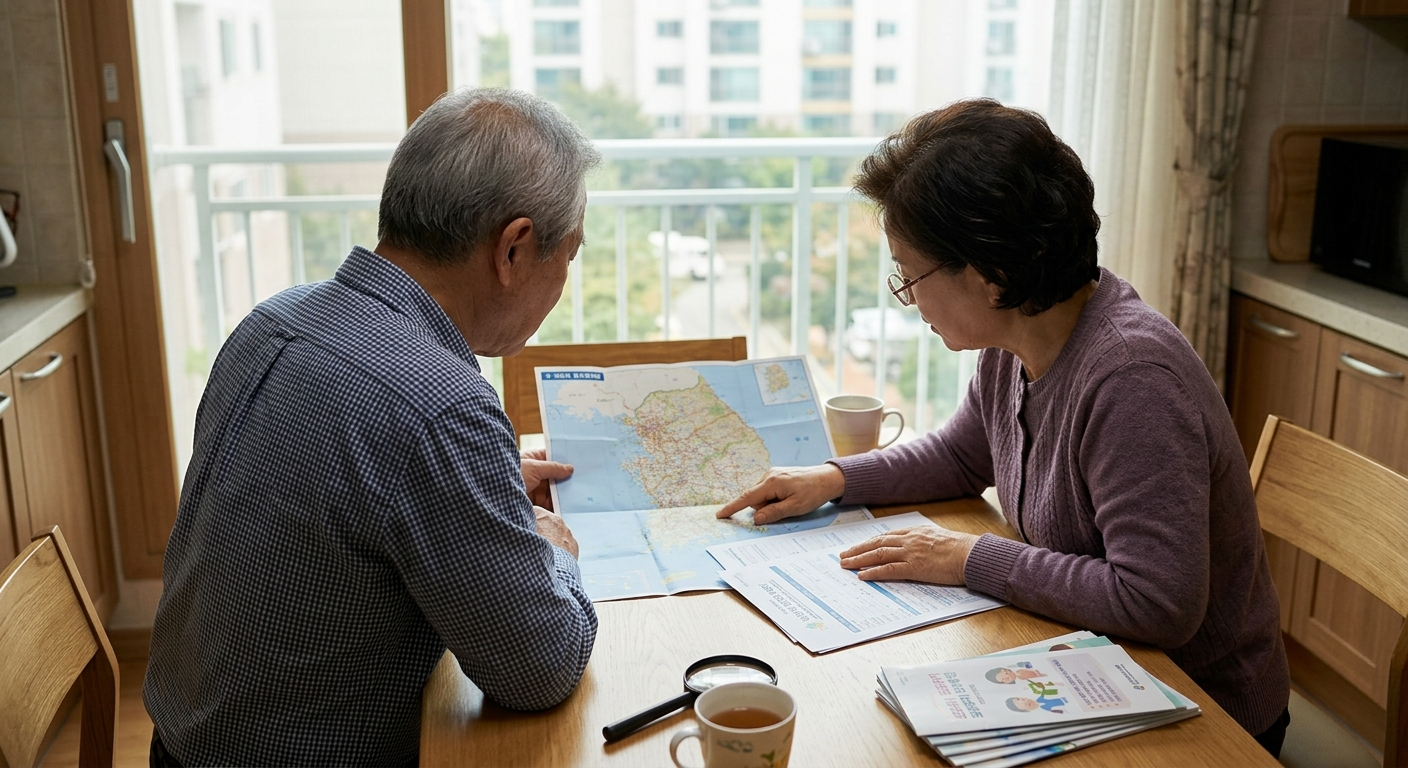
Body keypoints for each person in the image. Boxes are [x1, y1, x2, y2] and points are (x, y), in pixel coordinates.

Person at [717, 99, 1291, 756]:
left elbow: (1157, 601)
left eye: (910, 274)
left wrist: (969, 558)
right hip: (1096, 669)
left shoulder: (1133, 379)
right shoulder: (1016, 337)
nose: (905, 294)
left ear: (991, 277)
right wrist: (834, 478)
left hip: (1198, 715)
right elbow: (964, 455)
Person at [144, 89, 601, 766]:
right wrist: (551, 544)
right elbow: (539, 668)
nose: (565, 278)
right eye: (571, 253)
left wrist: (482, 488)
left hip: (181, 745)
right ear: (514, 249)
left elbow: (361, 491)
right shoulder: (442, 408)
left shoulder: (270, 322)